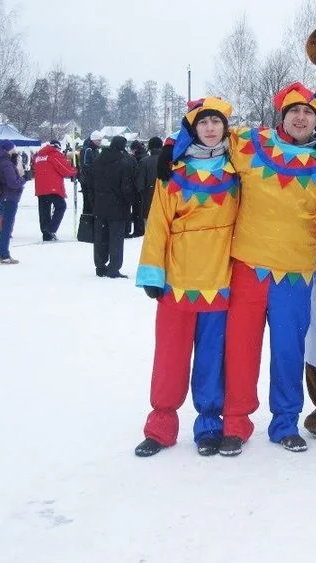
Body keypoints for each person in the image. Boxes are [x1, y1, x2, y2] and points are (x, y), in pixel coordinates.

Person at [219, 83, 316, 456]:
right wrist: (172, 150)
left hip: (295, 274)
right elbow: (207, 141)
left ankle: (285, 423)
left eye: (308, 113)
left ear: (315, 122)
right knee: (241, 350)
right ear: (283, 116)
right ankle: (235, 423)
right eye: (295, 111)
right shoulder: (248, 144)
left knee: (288, 352)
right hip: (249, 266)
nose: (301, 117)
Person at [134, 97, 241, 458]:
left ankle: (210, 423)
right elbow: (158, 225)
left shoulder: (238, 170)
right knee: (170, 357)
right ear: (193, 129)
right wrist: (152, 271)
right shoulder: (173, 173)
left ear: (225, 128)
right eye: (203, 123)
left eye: (216, 122)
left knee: (213, 357)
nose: (210, 128)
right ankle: (161, 425)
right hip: (177, 281)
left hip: (219, 282)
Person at [91, 135, 136, 278]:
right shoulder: (123, 163)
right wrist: (130, 201)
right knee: (116, 238)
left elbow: (89, 183)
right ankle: (114, 267)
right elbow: (126, 188)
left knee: (100, 237)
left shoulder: (97, 161)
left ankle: (100, 265)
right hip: (117, 205)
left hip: (99, 203)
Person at [32, 140, 78, 241]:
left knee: (44, 211)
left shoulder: (39, 156)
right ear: (57, 147)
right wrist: (74, 170)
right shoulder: (54, 155)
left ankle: (46, 234)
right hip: (52, 187)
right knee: (61, 206)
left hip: (40, 187)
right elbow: (64, 170)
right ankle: (51, 229)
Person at [0, 139, 27, 264]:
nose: (15, 151)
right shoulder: (6, 164)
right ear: (8, 149)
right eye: (13, 148)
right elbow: (13, 183)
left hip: (3, 196)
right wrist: (24, 179)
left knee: (5, 225)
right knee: (7, 227)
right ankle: (4, 254)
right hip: (9, 197)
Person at [137, 136, 163, 222]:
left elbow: (140, 184)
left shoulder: (144, 162)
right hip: (166, 202)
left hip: (148, 201)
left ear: (150, 148)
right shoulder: (170, 161)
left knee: (150, 230)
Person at [78, 131, 102, 214]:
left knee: (92, 200)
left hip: (92, 178)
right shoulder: (87, 149)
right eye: (98, 140)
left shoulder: (95, 150)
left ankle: (90, 217)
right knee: (88, 200)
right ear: (94, 140)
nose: (100, 142)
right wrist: (96, 169)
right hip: (87, 179)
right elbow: (85, 164)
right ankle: (87, 218)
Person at [129, 140, 148, 237]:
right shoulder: (145, 155)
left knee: (138, 210)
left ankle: (139, 230)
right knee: (141, 209)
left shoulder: (138, 159)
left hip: (138, 189)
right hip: (146, 188)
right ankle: (141, 229)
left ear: (135, 149)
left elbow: (137, 175)